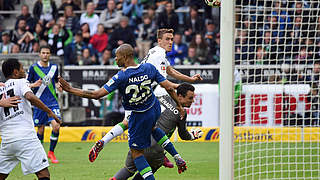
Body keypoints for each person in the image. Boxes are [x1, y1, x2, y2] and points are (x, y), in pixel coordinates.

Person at [59, 44, 187, 179]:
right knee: (153, 128)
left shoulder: (121, 76)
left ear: (125, 58)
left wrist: (71, 89)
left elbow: (96, 94)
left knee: (136, 153)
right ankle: (176, 156)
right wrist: (178, 105)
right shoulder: (149, 68)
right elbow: (169, 87)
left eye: (117, 57)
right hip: (154, 108)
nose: (115, 59)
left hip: (138, 116)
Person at [90, 28, 202, 169]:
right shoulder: (160, 54)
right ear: (159, 40)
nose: (170, 42)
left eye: (172, 39)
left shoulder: (156, 51)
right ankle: (159, 152)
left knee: (135, 123)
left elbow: (171, 70)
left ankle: (104, 142)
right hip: (145, 92)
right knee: (152, 124)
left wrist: (189, 79)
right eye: (167, 39)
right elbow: (166, 85)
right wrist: (180, 97)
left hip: (139, 88)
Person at [110, 83, 203, 180]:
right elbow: (183, 135)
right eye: (190, 98)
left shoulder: (160, 97)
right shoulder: (181, 112)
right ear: (179, 96)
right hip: (156, 148)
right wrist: (192, 136)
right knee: (148, 171)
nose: (192, 101)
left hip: (138, 141)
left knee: (127, 170)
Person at [0, 58, 61, 180]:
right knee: (43, 174)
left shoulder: (1, 90)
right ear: (16, 72)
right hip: (26, 138)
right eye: (22, 68)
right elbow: (29, 96)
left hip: (7, 141)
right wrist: (49, 111)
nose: (24, 71)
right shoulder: (21, 82)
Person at [27, 45, 62, 164]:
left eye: (47, 53)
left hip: (52, 102)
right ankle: (40, 154)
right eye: (43, 53)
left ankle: (51, 152)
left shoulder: (54, 67)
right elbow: (26, 83)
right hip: (39, 103)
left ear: (50, 54)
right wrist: (33, 85)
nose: (45, 55)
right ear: (39, 54)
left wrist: (59, 86)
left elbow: (56, 82)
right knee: (40, 129)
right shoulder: (33, 68)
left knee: (56, 126)